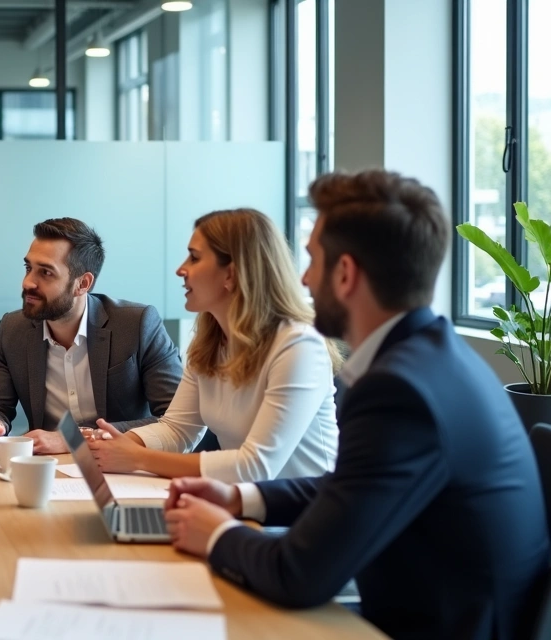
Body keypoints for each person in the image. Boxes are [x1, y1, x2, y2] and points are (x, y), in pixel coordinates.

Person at [163, 170, 550, 639]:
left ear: (345, 273)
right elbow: (350, 487)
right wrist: (243, 497)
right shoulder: (433, 359)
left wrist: (218, 534)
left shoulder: (401, 390)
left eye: (312, 261)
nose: (303, 278)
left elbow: (299, 574)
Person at [87, 209, 340, 482]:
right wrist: (118, 442)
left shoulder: (299, 346)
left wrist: (137, 457)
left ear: (230, 274)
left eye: (194, 258)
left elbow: (255, 465)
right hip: (243, 502)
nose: (180, 269)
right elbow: (177, 429)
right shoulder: (210, 342)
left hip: (303, 514)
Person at [0, 217, 183, 455]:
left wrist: (75, 439)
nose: (27, 282)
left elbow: (176, 420)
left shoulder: (137, 325)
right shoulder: (14, 329)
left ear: (82, 283)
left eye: (46, 272)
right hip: (47, 469)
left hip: (122, 467)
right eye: (29, 268)